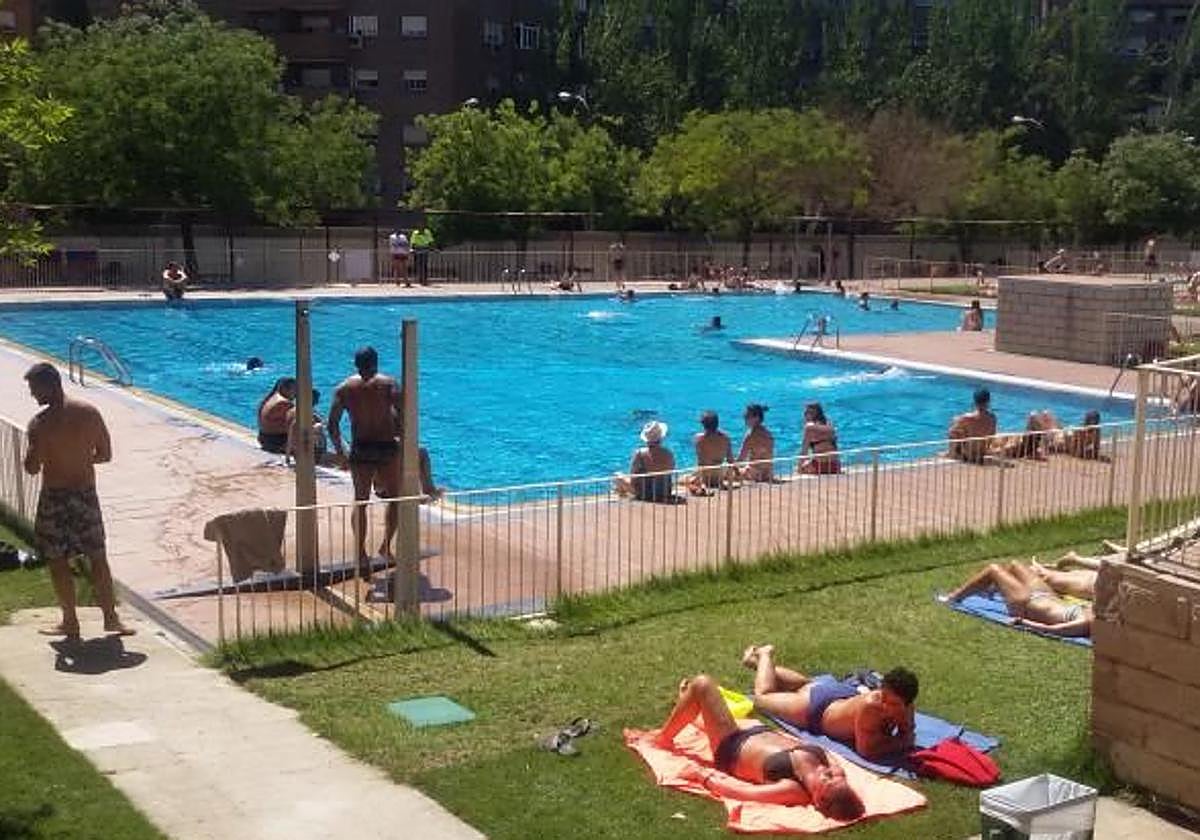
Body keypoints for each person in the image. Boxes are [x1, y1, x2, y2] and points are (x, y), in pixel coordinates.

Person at [653, 673, 866, 821]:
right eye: (837, 777)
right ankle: (688, 704)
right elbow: (833, 764)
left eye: (828, 780)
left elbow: (746, 793)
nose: (829, 772)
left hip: (731, 747)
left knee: (702, 684)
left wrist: (702, 776)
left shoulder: (794, 790)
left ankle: (663, 738)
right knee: (701, 710)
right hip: (753, 732)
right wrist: (835, 775)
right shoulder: (832, 771)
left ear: (819, 800)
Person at [22, 363, 132, 639]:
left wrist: (43, 448)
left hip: (55, 497)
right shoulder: (89, 413)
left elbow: (32, 468)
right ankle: (111, 618)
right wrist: (81, 458)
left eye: (35, 389)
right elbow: (105, 454)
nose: (33, 396)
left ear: (49, 385)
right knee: (97, 556)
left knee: (57, 559)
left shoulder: (40, 424)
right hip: (85, 494)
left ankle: (70, 621)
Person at [741, 646, 919, 761]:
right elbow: (867, 751)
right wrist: (903, 741)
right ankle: (765, 654)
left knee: (805, 685)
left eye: (893, 703)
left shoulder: (907, 707)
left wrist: (903, 738)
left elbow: (906, 735)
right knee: (763, 697)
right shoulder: (871, 706)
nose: (884, 703)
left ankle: (759, 665)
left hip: (838, 695)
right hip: (815, 710)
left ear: (907, 703)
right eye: (883, 695)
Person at [328, 347, 403, 572]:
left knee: (360, 501)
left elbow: (333, 424)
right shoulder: (389, 384)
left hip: (360, 448)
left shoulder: (344, 388)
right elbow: (405, 415)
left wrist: (340, 452)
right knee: (395, 499)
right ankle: (385, 547)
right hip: (387, 446)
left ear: (355, 363)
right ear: (376, 362)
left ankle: (360, 553)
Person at [943, 561, 1094, 638]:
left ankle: (954, 597)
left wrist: (1023, 622)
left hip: (1026, 605)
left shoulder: (1083, 625)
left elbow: (1052, 630)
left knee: (993, 569)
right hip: (1047, 596)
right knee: (1015, 565)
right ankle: (991, 589)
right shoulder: (1099, 613)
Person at [614, 420, 676, 502]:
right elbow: (671, 470)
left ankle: (623, 498)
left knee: (617, 475)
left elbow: (632, 477)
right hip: (664, 492)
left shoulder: (640, 453)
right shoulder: (668, 453)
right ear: (661, 437)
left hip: (645, 494)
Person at [685, 411, 734, 494]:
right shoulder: (726, 438)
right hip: (719, 473)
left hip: (705, 473)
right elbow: (730, 459)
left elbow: (699, 459)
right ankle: (717, 484)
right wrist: (736, 472)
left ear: (703, 424)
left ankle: (701, 486)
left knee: (683, 480)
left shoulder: (698, 439)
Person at [947, 388, 997, 464]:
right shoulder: (993, 418)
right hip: (981, 455)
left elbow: (952, 432)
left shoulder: (966, 418)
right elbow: (992, 436)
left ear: (974, 401)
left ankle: (951, 453)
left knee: (954, 430)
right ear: (988, 401)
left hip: (967, 456)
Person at [285, 390, 329, 466]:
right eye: (316, 399)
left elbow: (290, 436)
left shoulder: (291, 411)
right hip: (308, 454)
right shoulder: (305, 415)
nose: (317, 402)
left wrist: (287, 456)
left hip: (296, 452)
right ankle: (323, 458)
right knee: (320, 428)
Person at [256, 377, 297, 454]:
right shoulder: (284, 403)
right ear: (285, 389)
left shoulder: (270, 398)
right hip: (276, 442)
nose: (296, 393)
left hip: (264, 439)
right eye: (295, 390)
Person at [736, 403, 774, 482]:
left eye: (747, 416)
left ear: (756, 418)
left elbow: (741, 458)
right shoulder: (768, 433)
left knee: (726, 471)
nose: (744, 418)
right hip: (768, 472)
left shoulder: (750, 435)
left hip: (754, 473)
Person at [799, 402, 840, 475]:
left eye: (806, 412)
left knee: (802, 468)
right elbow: (835, 447)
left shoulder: (809, 427)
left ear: (811, 414)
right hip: (835, 466)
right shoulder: (829, 425)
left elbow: (804, 451)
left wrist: (799, 468)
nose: (804, 415)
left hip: (819, 466)